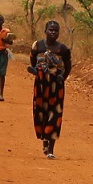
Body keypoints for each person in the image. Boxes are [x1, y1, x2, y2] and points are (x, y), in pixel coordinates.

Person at [29, 20, 73, 158]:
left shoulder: (63, 49)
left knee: (55, 114)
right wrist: (39, 72)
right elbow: (33, 62)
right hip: (41, 84)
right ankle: (45, 139)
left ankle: (51, 150)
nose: (53, 32)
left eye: (56, 30)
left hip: (56, 86)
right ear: (45, 31)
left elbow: (68, 66)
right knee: (41, 112)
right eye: (51, 30)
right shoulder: (38, 46)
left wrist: (62, 78)